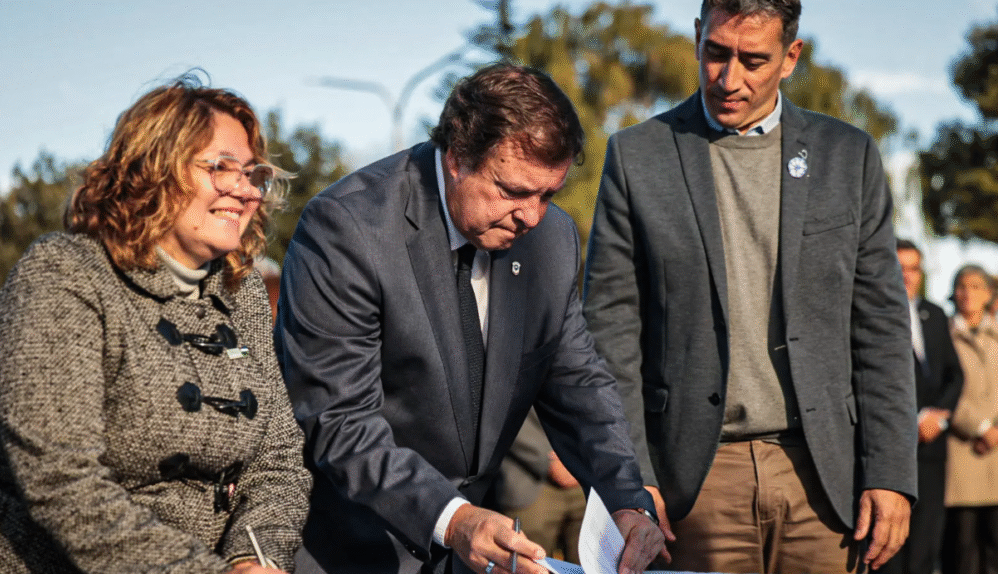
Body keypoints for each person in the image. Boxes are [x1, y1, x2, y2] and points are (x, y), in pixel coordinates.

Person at [275, 63, 663, 574]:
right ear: (457, 157)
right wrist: (453, 519)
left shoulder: (551, 240)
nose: (532, 216)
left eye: (548, 195)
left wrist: (627, 500)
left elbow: (578, 382)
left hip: (469, 555)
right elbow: (340, 420)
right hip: (353, 547)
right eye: (513, 191)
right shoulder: (349, 229)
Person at [581, 0, 918, 572]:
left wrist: (890, 473)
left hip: (826, 481)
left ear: (791, 56)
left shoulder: (848, 156)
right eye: (716, 52)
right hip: (694, 486)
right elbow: (611, 335)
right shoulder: (638, 156)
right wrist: (630, 479)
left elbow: (880, 325)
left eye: (753, 60)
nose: (728, 78)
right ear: (697, 36)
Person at [0, 74, 311, 573]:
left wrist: (250, 557)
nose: (246, 191)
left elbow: (277, 460)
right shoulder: (65, 275)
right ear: (153, 170)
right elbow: (64, 484)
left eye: (251, 173)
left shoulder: (242, 295)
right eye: (221, 167)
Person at [879, 240, 962, 574]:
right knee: (890, 547)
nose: (907, 276)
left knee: (926, 545)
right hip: (892, 450)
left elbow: (955, 375)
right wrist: (909, 420)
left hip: (931, 448)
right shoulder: (873, 314)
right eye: (899, 267)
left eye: (913, 268)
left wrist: (937, 416)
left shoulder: (935, 314)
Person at [942, 264, 998, 574]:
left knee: (993, 547)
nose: (968, 293)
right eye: (962, 286)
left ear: (989, 293)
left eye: (976, 286)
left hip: (996, 455)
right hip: (961, 453)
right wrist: (980, 427)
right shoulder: (943, 335)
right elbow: (943, 389)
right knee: (961, 549)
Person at [489, 408, 587, 564]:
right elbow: (500, 409)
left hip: (588, 476)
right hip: (526, 477)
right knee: (529, 563)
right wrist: (549, 460)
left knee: (590, 562)